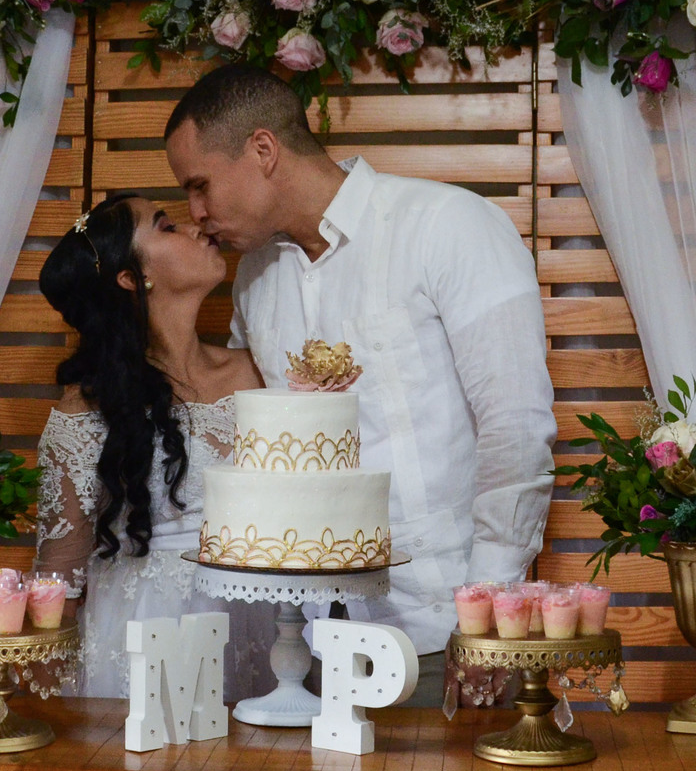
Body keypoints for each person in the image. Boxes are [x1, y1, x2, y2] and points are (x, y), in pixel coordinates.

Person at [163, 65, 558, 706]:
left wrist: (487, 613)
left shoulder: (447, 225)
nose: (196, 214)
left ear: (263, 150)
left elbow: (516, 426)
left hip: (443, 630)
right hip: (308, 643)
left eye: (199, 185)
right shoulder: (254, 279)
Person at [33, 195, 275, 700]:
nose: (196, 227)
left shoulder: (261, 370)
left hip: (262, 618)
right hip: (143, 634)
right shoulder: (87, 408)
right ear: (131, 277)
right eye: (166, 226)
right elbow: (59, 579)